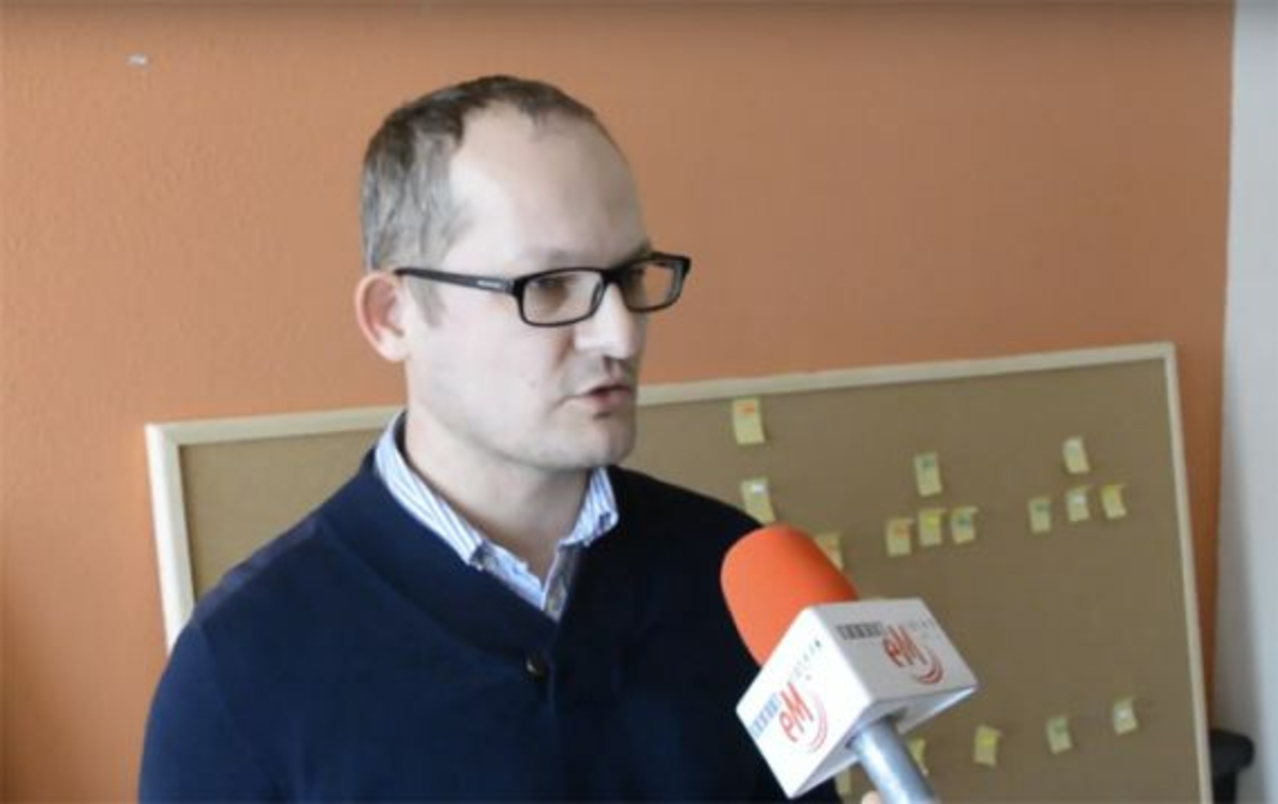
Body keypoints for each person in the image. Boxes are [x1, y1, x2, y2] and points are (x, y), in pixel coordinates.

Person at [140, 75, 838, 801]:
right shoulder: (243, 666)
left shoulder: (733, 576)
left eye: (631, 275)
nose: (621, 333)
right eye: (549, 285)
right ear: (393, 316)